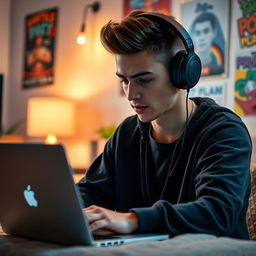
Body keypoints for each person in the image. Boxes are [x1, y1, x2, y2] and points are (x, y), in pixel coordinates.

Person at [77, 10, 252, 239]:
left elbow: (218, 213)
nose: (131, 94)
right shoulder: (127, 133)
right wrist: (61, 207)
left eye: (144, 80)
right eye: (124, 80)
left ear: (183, 74)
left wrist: (132, 221)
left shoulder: (224, 132)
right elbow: (90, 192)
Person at [190, 12, 224, 76]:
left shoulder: (220, 67)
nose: (201, 38)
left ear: (214, 32)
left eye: (206, 31)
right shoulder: (188, 69)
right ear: (193, 36)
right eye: (198, 33)